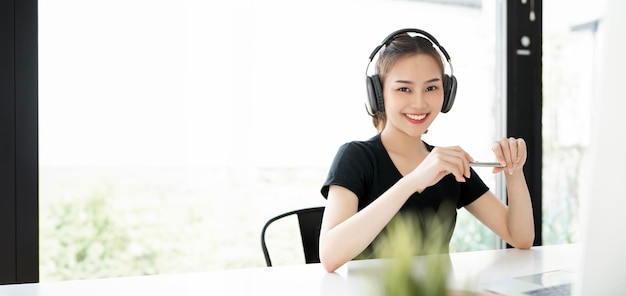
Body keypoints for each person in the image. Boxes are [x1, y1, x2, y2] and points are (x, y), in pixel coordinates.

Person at [318, 28, 535, 273]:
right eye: (404, 89)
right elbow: (329, 255)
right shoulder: (356, 157)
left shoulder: (448, 163)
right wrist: (414, 181)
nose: (419, 103)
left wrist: (514, 171)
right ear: (378, 95)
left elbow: (521, 238)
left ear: (447, 92)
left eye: (431, 88)